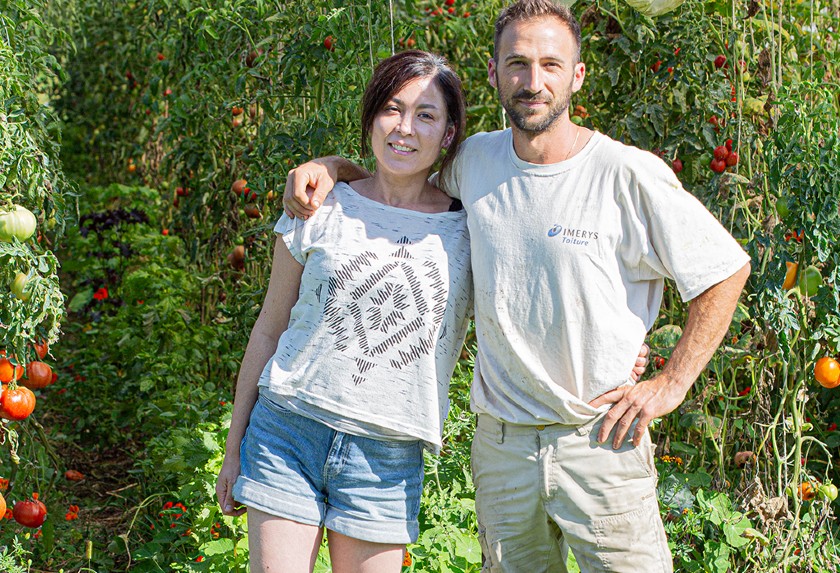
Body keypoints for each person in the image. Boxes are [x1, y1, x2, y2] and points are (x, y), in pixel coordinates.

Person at [282, 1, 752, 572]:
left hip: (600, 439)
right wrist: (332, 168)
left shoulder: (624, 174)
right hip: (502, 449)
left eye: (551, 64)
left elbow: (724, 269)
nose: (533, 82)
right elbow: (401, 179)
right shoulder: (474, 161)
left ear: (577, 75)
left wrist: (670, 384)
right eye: (518, 64)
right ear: (494, 72)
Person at [215, 50, 474, 573]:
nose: (405, 128)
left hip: (386, 459)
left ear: (448, 134)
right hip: (287, 432)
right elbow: (269, 329)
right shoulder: (317, 206)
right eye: (392, 109)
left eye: (425, 115)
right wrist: (234, 444)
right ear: (371, 118)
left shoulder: (469, 230)